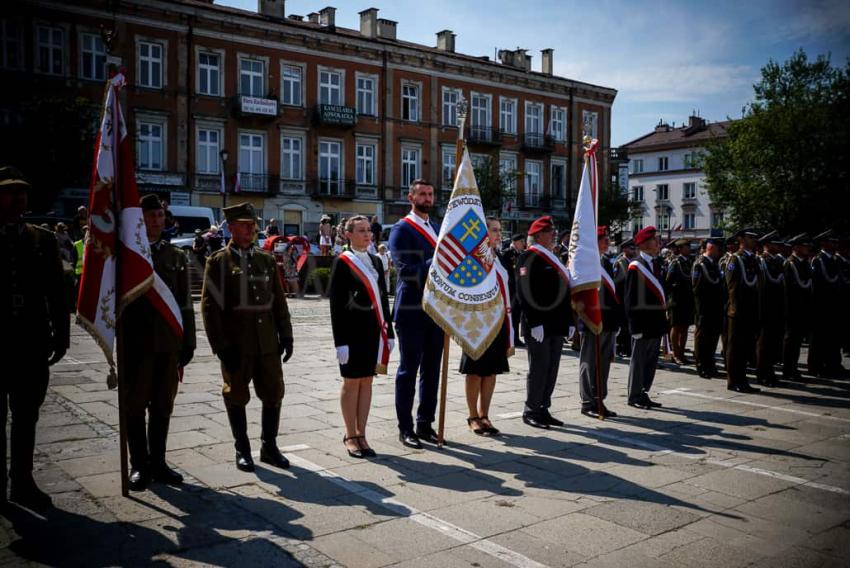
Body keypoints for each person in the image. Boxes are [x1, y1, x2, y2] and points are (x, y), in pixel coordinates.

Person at [201, 202, 294, 472]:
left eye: (253, 225)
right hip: (237, 345)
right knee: (236, 395)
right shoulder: (218, 261)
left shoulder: (264, 259)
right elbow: (210, 308)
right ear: (231, 228)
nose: (250, 229)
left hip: (267, 343)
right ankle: (242, 449)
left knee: (274, 393)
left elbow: (279, 302)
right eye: (244, 225)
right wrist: (220, 347)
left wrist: (286, 336)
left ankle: (269, 446)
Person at [0, 166, 69, 508]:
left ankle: (22, 481)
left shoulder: (41, 238)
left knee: (27, 414)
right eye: (11, 192)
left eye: (23, 192)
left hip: (31, 341)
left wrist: (62, 335)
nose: (19, 198)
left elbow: (57, 291)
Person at [122, 195, 196, 491]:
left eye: (159, 216)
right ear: (139, 220)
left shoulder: (175, 256)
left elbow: (184, 303)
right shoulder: (127, 255)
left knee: (163, 405)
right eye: (150, 216)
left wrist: (188, 341)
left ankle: (159, 462)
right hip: (137, 343)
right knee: (134, 405)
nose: (156, 221)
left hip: (168, 343)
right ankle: (139, 465)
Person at [329, 216, 395, 458]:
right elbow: (336, 305)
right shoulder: (343, 262)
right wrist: (340, 342)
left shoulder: (377, 262)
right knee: (352, 382)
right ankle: (350, 434)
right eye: (361, 231)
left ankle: (362, 433)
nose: (368, 235)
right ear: (348, 234)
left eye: (369, 230)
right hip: (351, 332)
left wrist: (390, 332)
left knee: (367, 380)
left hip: (373, 331)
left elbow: (383, 298)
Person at [388, 179, 443, 449]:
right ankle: (405, 428)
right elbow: (407, 272)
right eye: (422, 193)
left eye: (430, 193)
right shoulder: (401, 229)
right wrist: (436, 261)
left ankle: (425, 424)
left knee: (432, 371)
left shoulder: (436, 227)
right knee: (409, 371)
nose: (427, 197)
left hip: (437, 310)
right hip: (411, 309)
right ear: (411, 197)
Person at [517, 215, 574, 428]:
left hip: (557, 323)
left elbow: (564, 292)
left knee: (552, 368)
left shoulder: (554, 258)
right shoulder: (528, 258)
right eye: (550, 232)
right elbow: (525, 293)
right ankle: (531, 409)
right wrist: (534, 322)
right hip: (539, 324)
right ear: (538, 235)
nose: (554, 235)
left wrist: (569, 320)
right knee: (539, 368)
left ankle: (543, 407)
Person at [461, 218, 513, 436]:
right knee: (475, 372)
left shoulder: (498, 257)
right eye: (494, 230)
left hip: (498, 321)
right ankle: (473, 416)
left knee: (491, 371)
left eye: (499, 231)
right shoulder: (473, 257)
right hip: (478, 322)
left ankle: (485, 414)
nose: (498, 234)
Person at [579, 226, 624, 418]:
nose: (608, 243)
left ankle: (599, 399)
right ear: (593, 241)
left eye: (607, 239)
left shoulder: (606, 261)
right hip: (592, 321)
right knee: (589, 362)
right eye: (603, 239)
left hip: (608, 321)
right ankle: (588, 401)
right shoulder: (585, 262)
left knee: (604, 363)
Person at [624, 226, 667, 409]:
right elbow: (630, 299)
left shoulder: (656, 264)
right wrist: (635, 328)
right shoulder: (636, 266)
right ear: (645, 244)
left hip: (656, 322)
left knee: (650, 361)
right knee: (639, 361)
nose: (659, 243)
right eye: (656, 240)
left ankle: (643, 392)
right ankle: (634, 395)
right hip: (643, 324)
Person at [725, 228, 762, 393]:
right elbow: (732, 286)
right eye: (750, 237)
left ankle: (743, 379)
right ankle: (734, 380)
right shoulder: (735, 259)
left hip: (751, 310)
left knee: (746, 347)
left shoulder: (752, 259)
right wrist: (736, 309)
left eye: (755, 237)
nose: (753, 240)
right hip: (738, 311)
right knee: (736, 347)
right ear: (740, 239)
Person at [808, 230, 845, 378]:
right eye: (831, 241)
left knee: (834, 336)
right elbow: (816, 285)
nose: (835, 244)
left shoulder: (835, 260)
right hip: (821, 305)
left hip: (834, 305)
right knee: (819, 338)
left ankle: (834, 364)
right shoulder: (818, 260)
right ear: (823, 243)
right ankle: (816, 366)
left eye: (836, 242)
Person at [692, 238, 725, 378]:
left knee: (712, 339)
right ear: (710, 247)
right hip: (704, 308)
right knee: (702, 339)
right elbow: (696, 288)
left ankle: (710, 365)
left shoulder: (714, 264)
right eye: (718, 248)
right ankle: (702, 366)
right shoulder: (700, 264)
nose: (719, 251)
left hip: (715, 308)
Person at [756, 231, 785, 387]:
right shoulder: (762, 261)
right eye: (775, 243)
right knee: (764, 343)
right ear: (767, 245)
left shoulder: (778, 261)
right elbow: (760, 287)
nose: (778, 246)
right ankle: (763, 373)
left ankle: (770, 372)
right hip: (765, 307)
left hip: (777, 307)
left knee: (773, 342)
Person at [783, 233, 813, 381]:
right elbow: (786, 290)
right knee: (791, 340)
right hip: (792, 309)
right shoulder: (790, 264)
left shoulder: (805, 263)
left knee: (797, 341)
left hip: (803, 308)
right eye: (804, 246)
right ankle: (788, 369)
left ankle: (793, 368)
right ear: (796, 247)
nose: (807, 248)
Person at [665, 238, 695, 365]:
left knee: (685, 327)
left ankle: (682, 353)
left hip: (687, 300)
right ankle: (676, 354)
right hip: (676, 300)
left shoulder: (691, 262)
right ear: (680, 249)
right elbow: (668, 281)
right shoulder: (675, 263)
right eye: (686, 247)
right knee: (676, 327)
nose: (689, 249)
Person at [501, 233, 527, 347]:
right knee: (510, 314)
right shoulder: (507, 253)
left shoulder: (521, 254)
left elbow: (522, 270)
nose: (523, 244)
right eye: (521, 242)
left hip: (518, 289)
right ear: (515, 242)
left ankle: (515, 337)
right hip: (510, 289)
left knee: (516, 315)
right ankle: (508, 337)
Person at [613, 238, 636, 358]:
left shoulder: (633, 261)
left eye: (634, 248)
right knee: (622, 325)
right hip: (622, 298)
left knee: (628, 324)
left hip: (630, 298)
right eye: (631, 248)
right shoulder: (620, 262)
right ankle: (620, 346)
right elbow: (617, 282)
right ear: (625, 249)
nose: (633, 250)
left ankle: (627, 347)